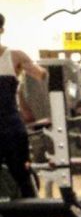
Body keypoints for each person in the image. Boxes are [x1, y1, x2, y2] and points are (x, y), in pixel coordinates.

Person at [0, 13, 46, 199]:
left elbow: (42, 75)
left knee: (21, 173)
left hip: (10, 125)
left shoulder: (15, 56)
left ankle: (31, 215)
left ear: (1, 30)